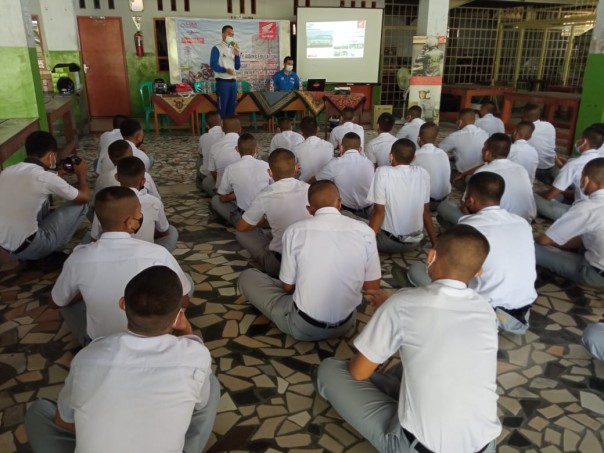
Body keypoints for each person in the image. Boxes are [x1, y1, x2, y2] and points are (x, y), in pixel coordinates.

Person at [316, 224, 501, 453]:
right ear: (479, 271)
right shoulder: (487, 311)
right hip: (485, 447)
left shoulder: (403, 304)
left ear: (431, 256)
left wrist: (387, 320)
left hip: (417, 448)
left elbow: (359, 372)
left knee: (330, 369)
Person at [25, 266, 219, 453]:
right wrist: (185, 330)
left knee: (39, 411)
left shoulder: (87, 357)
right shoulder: (196, 356)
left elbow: (63, 421)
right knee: (209, 383)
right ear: (178, 316)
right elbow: (200, 402)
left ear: (122, 303)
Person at [238, 180, 381, 341]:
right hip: (347, 323)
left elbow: (287, 287)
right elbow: (372, 287)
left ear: (309, 209)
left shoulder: (295, 231)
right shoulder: (365, 232)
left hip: (304, 326)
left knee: (248, 277)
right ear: (340, 203)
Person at [51, 186, 193, 346]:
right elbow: (184, 301)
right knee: (186, 282)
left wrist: (83, 292)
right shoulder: (157, 253)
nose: (141, 216)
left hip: (102, 343)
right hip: (151, 337)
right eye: (139, 213)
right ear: (130, 222)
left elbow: (58, 302)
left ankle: (90, 343)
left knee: (66, 301)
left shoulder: (78, 257)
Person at [411, 172, 536, 334]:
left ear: (469, 200)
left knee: (417, 271)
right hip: (522, 312)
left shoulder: (470, 228)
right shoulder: (522, 223)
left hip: (484, 311)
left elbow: (449, 272)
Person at [0, 131, 89, 262]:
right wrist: (81, 174)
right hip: (32, 248)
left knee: (38, 199)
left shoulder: (8, 171)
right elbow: (84, 197)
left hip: (7, 249)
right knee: (81, 205)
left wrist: (58, 174)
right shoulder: (46, 178)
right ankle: (52, 251)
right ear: (51, 156)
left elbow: (39, 181)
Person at [235, 149, 312, 278]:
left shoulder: (266, 194)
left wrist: (261, 221)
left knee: (241, 233)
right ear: (296, 168)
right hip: (311, 259)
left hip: (281, 265)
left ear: (269, 172)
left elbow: (241, 227)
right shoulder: (310, 189)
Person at [535, 157, 604, 288]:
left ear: (586, 179)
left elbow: (544, 241)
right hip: (596, 256)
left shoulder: (587, 208)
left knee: (531, 247)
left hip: (595, 274)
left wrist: (538, 240)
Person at [440, 133, 536, 226]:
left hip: (495, 225)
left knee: (444, 207)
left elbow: (467, 205)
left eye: (483, 148)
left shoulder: (483, 173)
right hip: (524, 222)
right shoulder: (521, 169)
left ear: (487, 152)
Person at [91, 157, 178, 252]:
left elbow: (94, 238)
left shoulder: (106, 202)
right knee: (172, 230)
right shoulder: (154, 202)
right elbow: (164, 232)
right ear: (143, 181)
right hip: (146, 251)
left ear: (117, 177)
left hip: (112, 251)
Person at [367, 138, 436, 253]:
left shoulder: (383, 172)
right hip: (415, 242)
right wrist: (435, 243)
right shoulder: (423, 173)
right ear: (414, 158)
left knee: (356, 222)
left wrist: (367, 244)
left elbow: (378, 212)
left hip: (389, 242)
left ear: (391, 156)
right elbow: (426, 212)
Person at [535, 125, 604, 221]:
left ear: (584, 141)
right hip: (598, 212)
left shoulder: (574, 164)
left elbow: (549, 195)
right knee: (562, 194)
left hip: (580, 215)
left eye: (579, 138)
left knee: (532, 198)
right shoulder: (600, 161)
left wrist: (537, 193)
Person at [211, 133, 271, 226]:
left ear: (237, 149)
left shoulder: (230, 169)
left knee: (216, 200)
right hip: (265, 214)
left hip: (244, 216)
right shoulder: (266, 165)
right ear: (256, 149)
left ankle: (245, 226)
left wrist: (236, 195)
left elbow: (222, 198)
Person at [311, 132, 374, 219]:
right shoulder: (369, 163)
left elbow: (314, 180)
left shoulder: (335, 164)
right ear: (360, 149)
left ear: (341, 147)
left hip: (347, 213)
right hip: (370, 211)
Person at [94, 139, 160, 202]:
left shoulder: (101, 178)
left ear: (111, 158)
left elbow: (95, 203)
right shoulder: (145, 175)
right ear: (131, 155)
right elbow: (156, 197)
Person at [439, 108, 489, 176]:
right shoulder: (485, 133)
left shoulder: (456, 135)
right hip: (481, 171)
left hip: (464, 173)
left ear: (460, 121)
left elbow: (438, 150)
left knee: (443, 162)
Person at [413, 122, 451, 211]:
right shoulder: (443, 153)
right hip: (444, 201)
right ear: (436, 139)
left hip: (426, 203)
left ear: (418, 138)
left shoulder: (416, 155)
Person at [202, 115, 241, 196]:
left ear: (222, 129)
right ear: (240, 129)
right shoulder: (248, 144)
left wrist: (221, 184)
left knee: (207, 182)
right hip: (243, 188)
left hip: (226, 191)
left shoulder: (215, 147)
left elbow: (212, 171)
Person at [210, 25, 241, 118]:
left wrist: (237, 55)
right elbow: (213, 64)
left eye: (232, 34)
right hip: (223, 82)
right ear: (223, 34)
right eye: (228, 33)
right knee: (222, 108)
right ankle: (221, 130)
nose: (231, 35)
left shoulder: (233, 49)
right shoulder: (216, 48)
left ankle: (229, 130)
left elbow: (237, 67)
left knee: (232, 109)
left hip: (233, 83)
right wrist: (225, 70)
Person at [522, 103, 557, 184]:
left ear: (525, 118)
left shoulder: (525, 130)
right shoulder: (549, 126)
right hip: (550, 165)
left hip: (536, 170)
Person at [292, 116, 334, 182]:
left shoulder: (296, 149)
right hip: (325, 186)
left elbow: (294, 170)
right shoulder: (329, 146)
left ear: (301, 132)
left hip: (305, 186)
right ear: (318, 129)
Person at [197, 111, 224, 189]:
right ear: (221, 122)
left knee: (199, 161)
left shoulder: (204, 137)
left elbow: (201, 154)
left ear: (207, 126)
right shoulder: (227, 135)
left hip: (212, 174)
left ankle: (201, 185)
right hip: (225, 174)